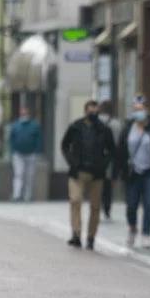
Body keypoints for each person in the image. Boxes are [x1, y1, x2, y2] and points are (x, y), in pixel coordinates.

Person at [116, 95, 150, 249]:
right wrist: (119, 171)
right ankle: (132, 228)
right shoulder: (128, 128)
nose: (137, 112)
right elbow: (120, 151)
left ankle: (146, 234)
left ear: (146, 110)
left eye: (140, 109)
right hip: (133, 173)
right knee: (131, 205)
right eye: (135, 109)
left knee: (149, 204)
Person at [60, 100, 116, 250]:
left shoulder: (104, 129)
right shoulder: (75, 127)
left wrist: (103, 164)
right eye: (90, 111)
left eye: (95, 111)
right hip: (77, 172)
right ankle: (76, 234)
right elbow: (65, 145)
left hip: (96, 174)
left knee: (95, 206)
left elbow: (111, 150)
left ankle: (91, 236)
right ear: (85, 111)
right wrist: (72, 161)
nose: (93, 114)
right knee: (75, 200)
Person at [9, 105, 42, 202]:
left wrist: (37, 151)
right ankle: (16, 195)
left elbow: (39, 139)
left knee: (29, 176)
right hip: (18, 154)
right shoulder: (15, 125)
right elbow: (11, 139)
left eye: (25, 112)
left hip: (31, 154)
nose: (24, 114)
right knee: (18, 174)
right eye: (22, 112)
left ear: (28, 113)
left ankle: (28, 196)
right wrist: (13, 151)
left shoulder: (35, 125)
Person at [99, 100, 124, 221]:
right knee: (108, 186)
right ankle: (107, 209)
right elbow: (120, 143)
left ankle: (96, 206)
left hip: (97, 158)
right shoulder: (116, 124)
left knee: (97, 184)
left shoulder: (96, 121)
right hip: (111, 158)